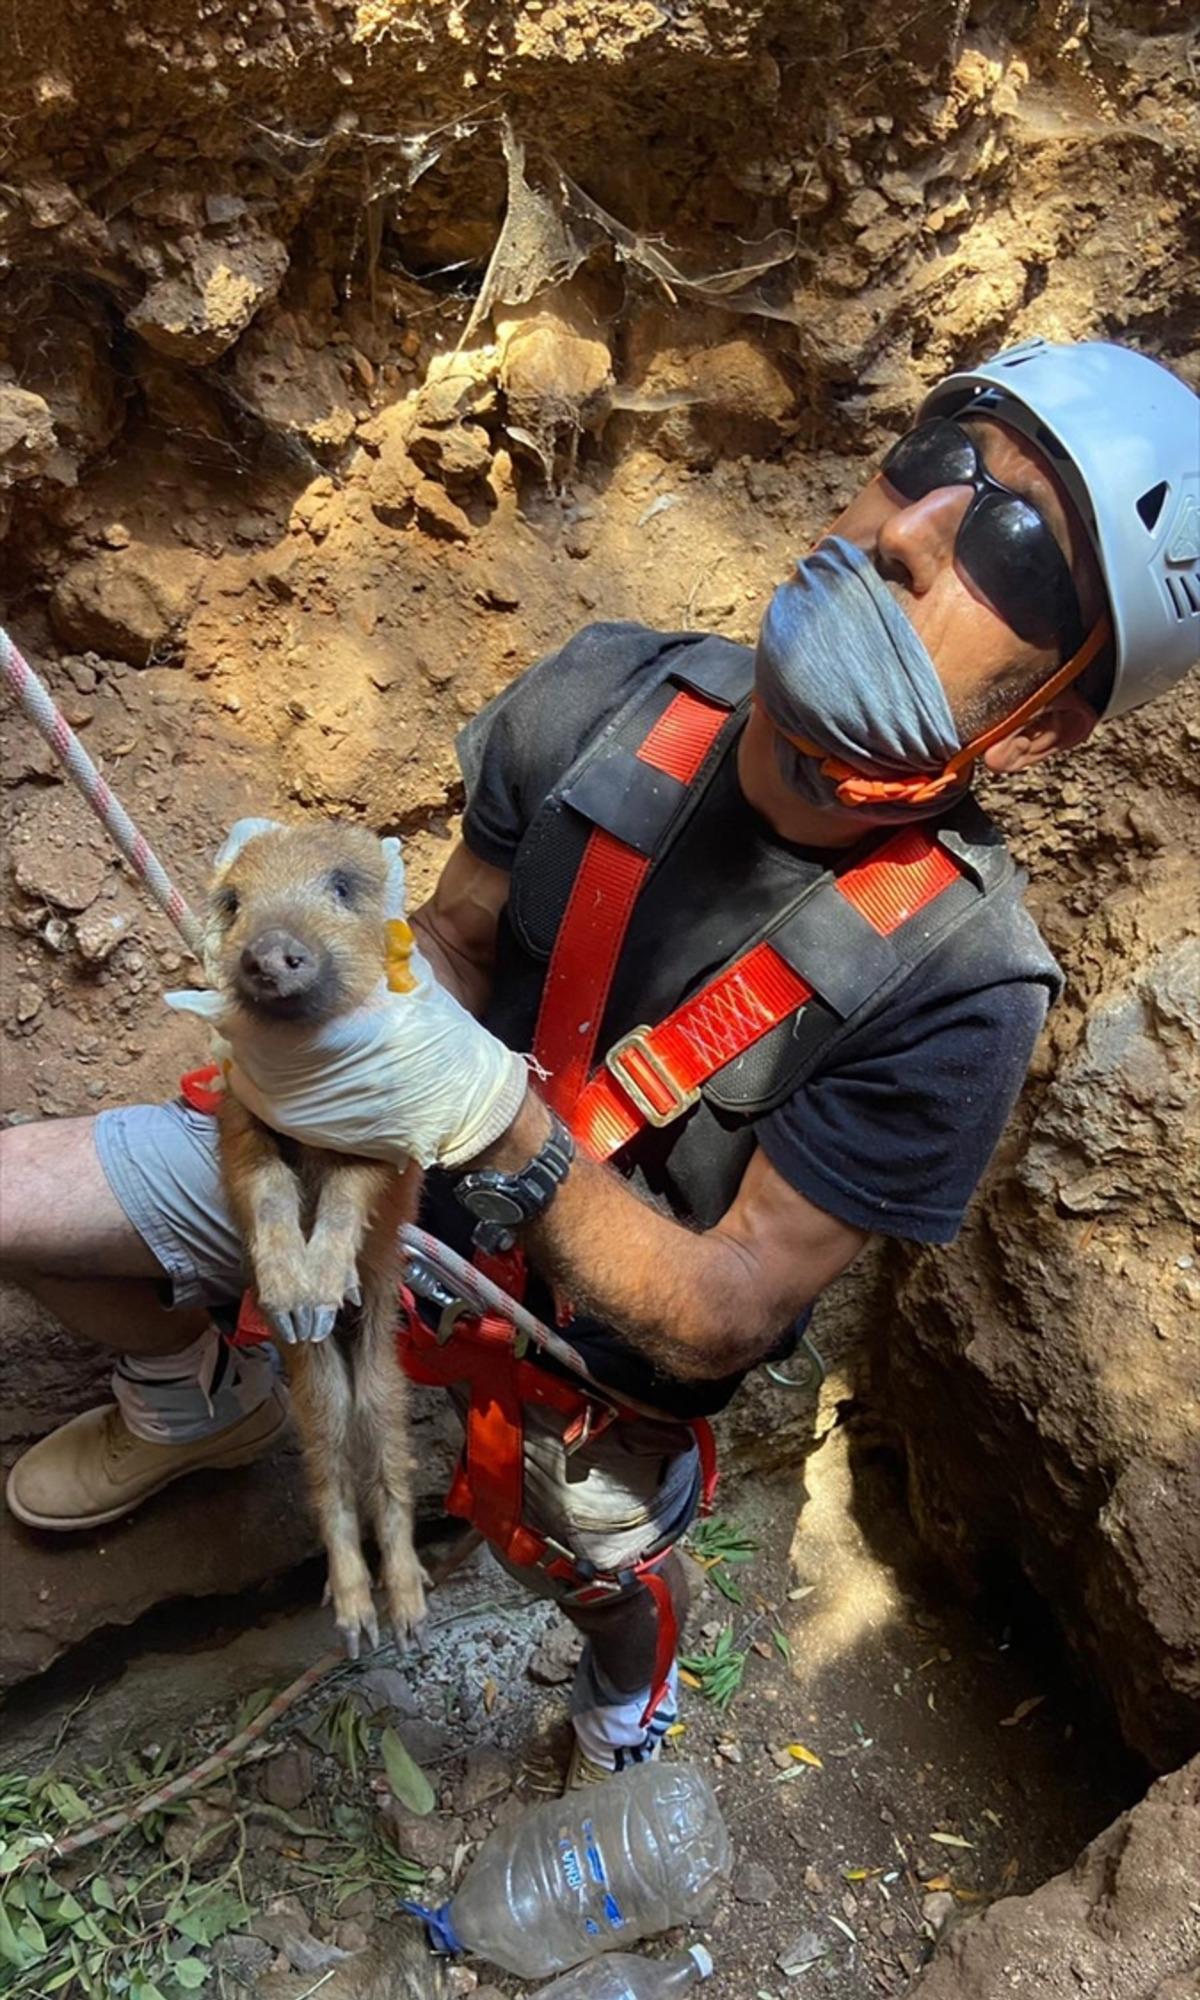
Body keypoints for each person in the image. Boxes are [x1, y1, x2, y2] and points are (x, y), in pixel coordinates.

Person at [4, 337, 1197, 1786]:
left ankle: (627, 1711)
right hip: (400, 1179)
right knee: (28, 1201)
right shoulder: (610, 697)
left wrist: (489, 1115)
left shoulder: (960, 984)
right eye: (938, 457)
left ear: (1051, 722)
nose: (909, 527)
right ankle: (197, 1395)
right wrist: (351, 996)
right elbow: (452, 936)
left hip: (601, 1356)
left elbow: (724, 1312)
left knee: (597, 1563)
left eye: (1012, 545)